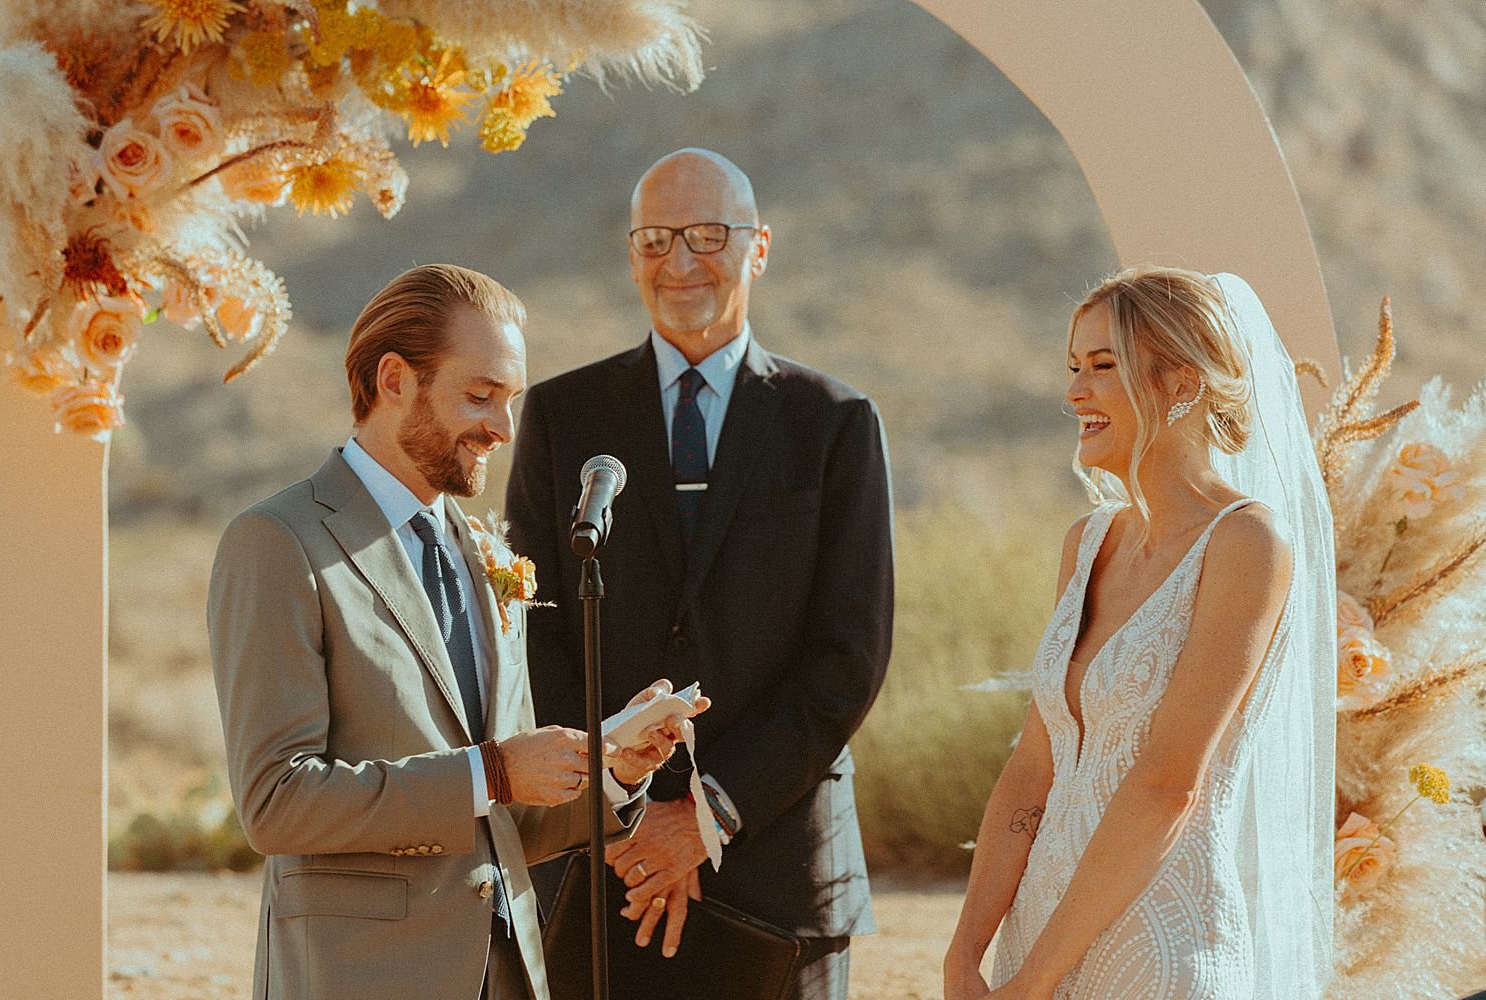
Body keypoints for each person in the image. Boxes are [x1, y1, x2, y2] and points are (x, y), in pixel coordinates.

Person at [207, 263, 706, 1000]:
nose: (503, 428)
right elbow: (277, 802)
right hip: (361, 978)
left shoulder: (482, 554)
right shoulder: (279, 543)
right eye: (480, 396)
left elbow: (502, 825)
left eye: (510, 401)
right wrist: (495, 770)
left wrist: (612, 770)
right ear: (393, 380)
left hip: (506, 974)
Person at [505, 148, 895, 999]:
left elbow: (849, 656)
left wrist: (708, 813)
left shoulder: (835, 423)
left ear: (759, 248)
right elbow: (530, 630)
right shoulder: (561, 415)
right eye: (654, 239)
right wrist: (617, 806)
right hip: (599, 867)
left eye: (708, 235)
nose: (679, 261)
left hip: (781, 874)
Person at [944, 267, 1335, 1000]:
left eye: (1101, 367)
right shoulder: (1085, 543)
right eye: (1072, 368)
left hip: (1160, 949)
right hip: (1037, 938)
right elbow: (1035, 764)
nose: (1074, 393)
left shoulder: (1246, 543)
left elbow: (1168, 785)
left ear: (1180, 383)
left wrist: (1034, 981)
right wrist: (967, 950)